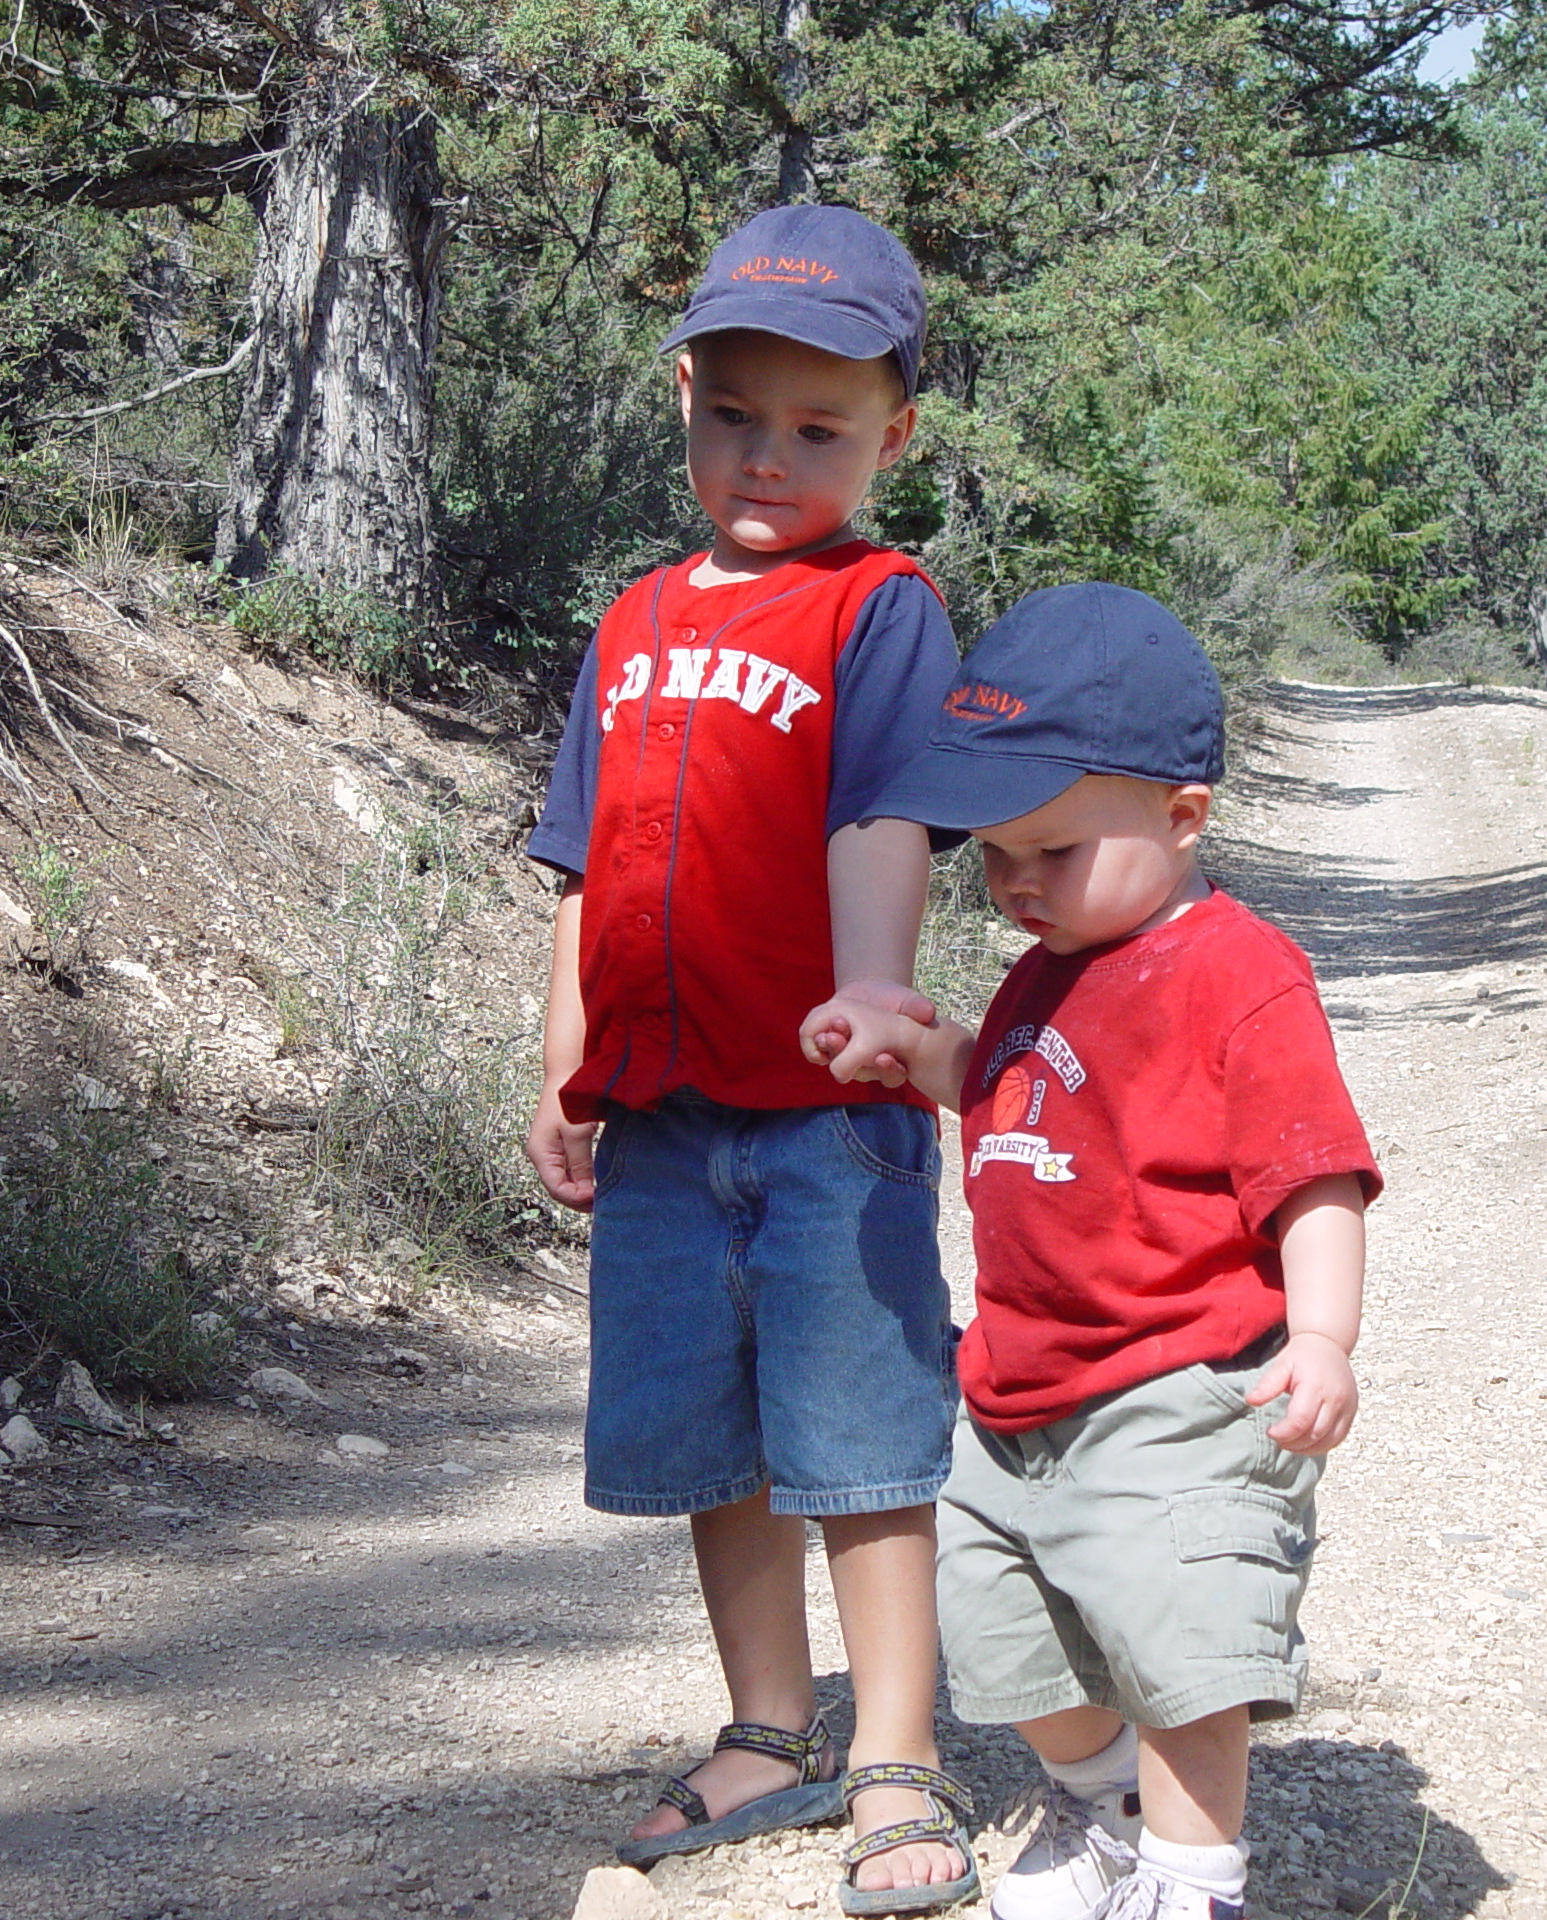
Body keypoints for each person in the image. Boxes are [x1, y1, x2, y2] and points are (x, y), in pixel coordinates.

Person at [523, 203, 978, 1916]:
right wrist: (562, 1071)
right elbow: (581, 858)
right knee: (721, 1440)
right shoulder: (633, 620)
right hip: (659, 1114)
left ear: (890, 436)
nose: (768, 458)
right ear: (685, 392)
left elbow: (883, 810)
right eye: (735, 415)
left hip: (821, 1119)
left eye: (820, 430)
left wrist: (878, 992)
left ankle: (898, 1755)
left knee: (860, 1439)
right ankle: (770, 1730)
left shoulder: (880, 606)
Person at [799, 583, 1383, 1920]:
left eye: (1051, 853)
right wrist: (920, 1055)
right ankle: (1104, 1802)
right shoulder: (1050, 964)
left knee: (1182, 1646)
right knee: (1006, 1637)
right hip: (1019, 1391)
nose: (1014, 886)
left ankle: (1191, 1880)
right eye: (993, 856)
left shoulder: (1237, 974)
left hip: (1181, 1390)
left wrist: (1322, 1337)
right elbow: (1018, 1093)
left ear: (1184, 818)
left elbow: (1316, 1174)